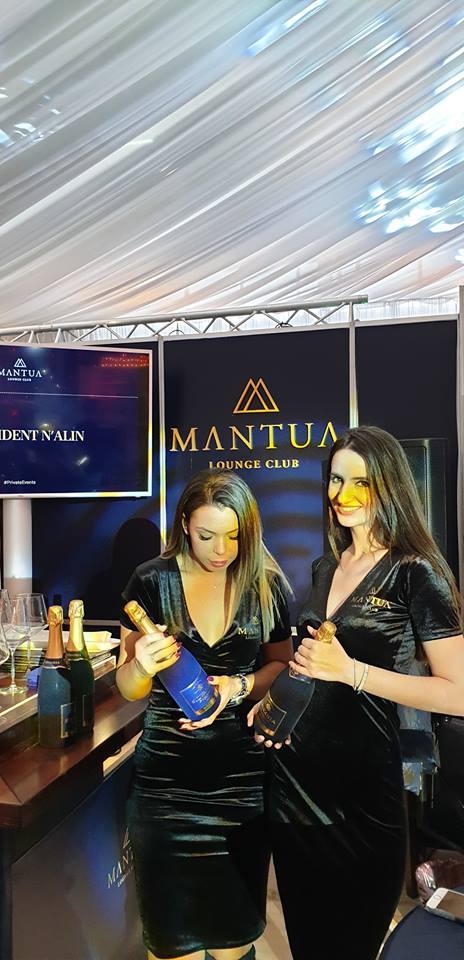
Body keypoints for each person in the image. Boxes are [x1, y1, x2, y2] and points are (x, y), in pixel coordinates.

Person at [249, 425, 464, 960]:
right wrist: (273, 706)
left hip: (362, 798)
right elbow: (308, 663)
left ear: (389, 485)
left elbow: (459, 693)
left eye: (360, 482)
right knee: (307, 946)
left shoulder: (416, 572)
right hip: (294, 789)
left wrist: (354, 672)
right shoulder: (326, 565)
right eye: (336, 479)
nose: (342, 495)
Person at [116, 470, 293, 960]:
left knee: (234, 945)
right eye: (207, 535)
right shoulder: (151, 581)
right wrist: (141, 666)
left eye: (234, 536)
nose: (221, 550)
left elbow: (280, 666)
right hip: (165, 790)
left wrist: (238, 687)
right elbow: (128, 688)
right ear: (184, 526)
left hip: (241, 787)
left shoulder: (266, 586)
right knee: (172, 948)